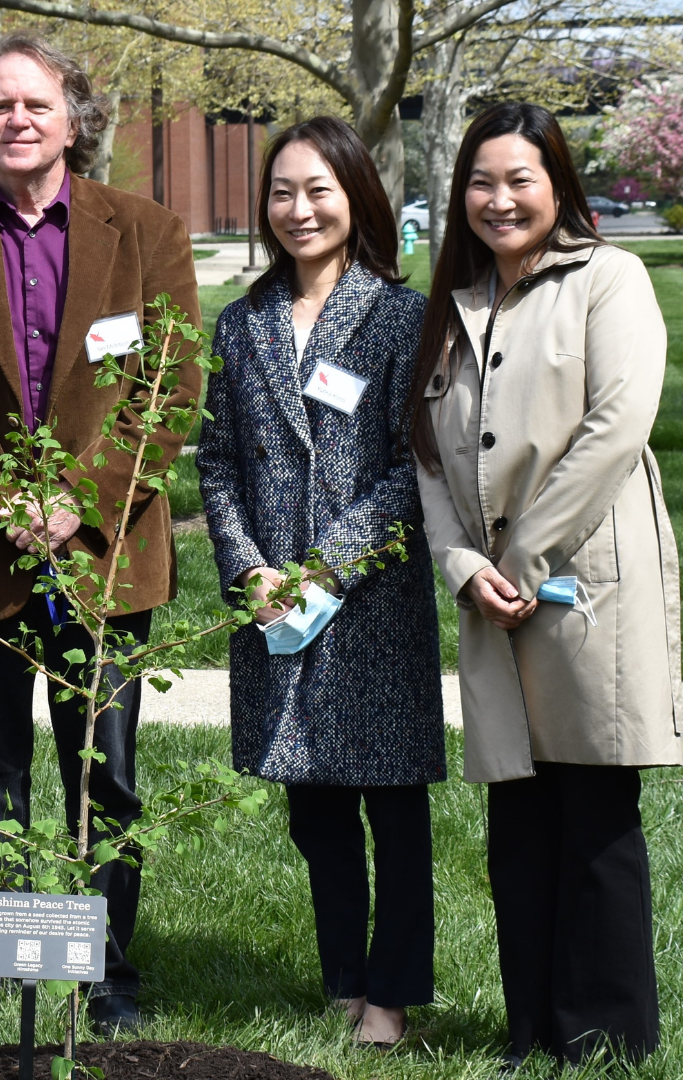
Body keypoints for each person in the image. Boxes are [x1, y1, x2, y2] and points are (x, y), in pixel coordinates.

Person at [0, 31, 201, 1034]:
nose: (18, 119)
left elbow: (170, 389)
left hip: (103, 557)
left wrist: (83, 500)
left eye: (37, 104)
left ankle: (107, 976)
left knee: (105, 775)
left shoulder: (145, 231)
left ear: (76, 119)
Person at [410, 102, 681, 1067]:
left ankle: (605, 1037)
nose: (499, 199)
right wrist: (462, 566)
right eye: (481, 182)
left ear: (557, 184)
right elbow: (429, 463)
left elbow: (617, 424)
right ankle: (530, 1029)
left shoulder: (610, 280)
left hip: (585, 584)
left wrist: (519, 558)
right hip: (493, 592)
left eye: (519, 179)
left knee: (594, 809)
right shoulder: (454, 302)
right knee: (520, 813)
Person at [196, 116, 446, 1048]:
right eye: (282, 193)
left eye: (318, 191)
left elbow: (413, 465)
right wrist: (249, 567)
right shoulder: (243, 320)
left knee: (394, 808)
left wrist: (325, 567)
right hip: (275, 604)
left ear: (356, 198)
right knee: (318, 811)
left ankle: (392, 996)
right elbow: (218, 461)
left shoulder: (399, 317)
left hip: (370, 597)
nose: (298, 210)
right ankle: (345, 979)